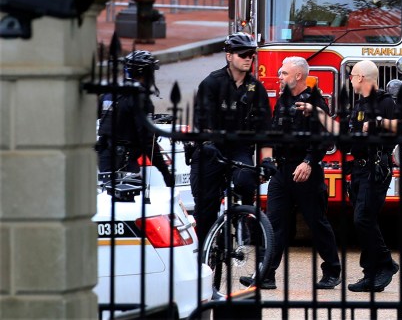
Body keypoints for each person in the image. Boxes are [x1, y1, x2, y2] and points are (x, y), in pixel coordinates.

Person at [295, 60, 402, 292]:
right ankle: (371, 274)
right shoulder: (359, 105)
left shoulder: (385, 101)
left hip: (376, 169)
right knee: (363, 221)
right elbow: (341, 132)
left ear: (361, 78)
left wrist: (379, 123)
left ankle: (385, 264)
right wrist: (317, 112)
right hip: (358, 169)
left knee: (363, 219)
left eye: (352, 75)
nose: (349, 79)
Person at [261, 56, 341, 290]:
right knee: (275, 223)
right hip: (282, 170)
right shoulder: (283, 100)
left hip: (306, 170)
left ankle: (332, 271)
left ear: (298, 76)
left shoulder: (316, 102)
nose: (280, 76)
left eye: (284, 73)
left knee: (316, 222)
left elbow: (324, 139)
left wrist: (308, 162)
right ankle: (266, 274)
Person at [190, 32, 273, 248]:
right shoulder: (211, 83)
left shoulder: (257, 88)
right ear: (229, 56)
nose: (248, 58)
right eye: (243, 54)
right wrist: (208, 144)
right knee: (205, 210)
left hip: (238, 147)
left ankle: (242, 217)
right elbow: (202, 124)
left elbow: (265, 132)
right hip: (211, 148)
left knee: (246, 180)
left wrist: (268, 160)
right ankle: (205, 256)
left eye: (251, 55)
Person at [96, 50, 174, 187]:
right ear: (146, 73)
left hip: (104, 160)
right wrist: (165, 172)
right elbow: (147, 141)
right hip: (124, 164)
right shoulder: (140, 98)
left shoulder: (110, 92)